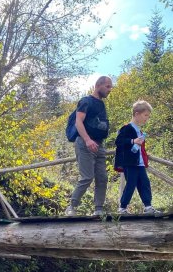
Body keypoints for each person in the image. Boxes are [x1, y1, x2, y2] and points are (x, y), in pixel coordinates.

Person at [65, 76, 113, 216]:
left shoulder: (101, 104)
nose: (110, 89)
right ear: (98, 85)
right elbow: (78, 122)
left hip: (99, 144)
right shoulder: (86, 101)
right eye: (108, 86)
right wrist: (87, 140)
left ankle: (98, 209)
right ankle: (71, 207)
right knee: (87, 176)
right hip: (85, 143)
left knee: (102, 177)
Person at [114, 100, 160, 215]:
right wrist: (133, 140)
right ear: (136, 114)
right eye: (145, 115)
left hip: (139, 163)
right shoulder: (127, 128)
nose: (147, 119)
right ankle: (122, 208)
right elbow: (119, 141)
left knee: (144, 183)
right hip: (130, 162)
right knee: (131, 183)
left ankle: (148, 206)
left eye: (148, 116)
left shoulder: (139, 130)